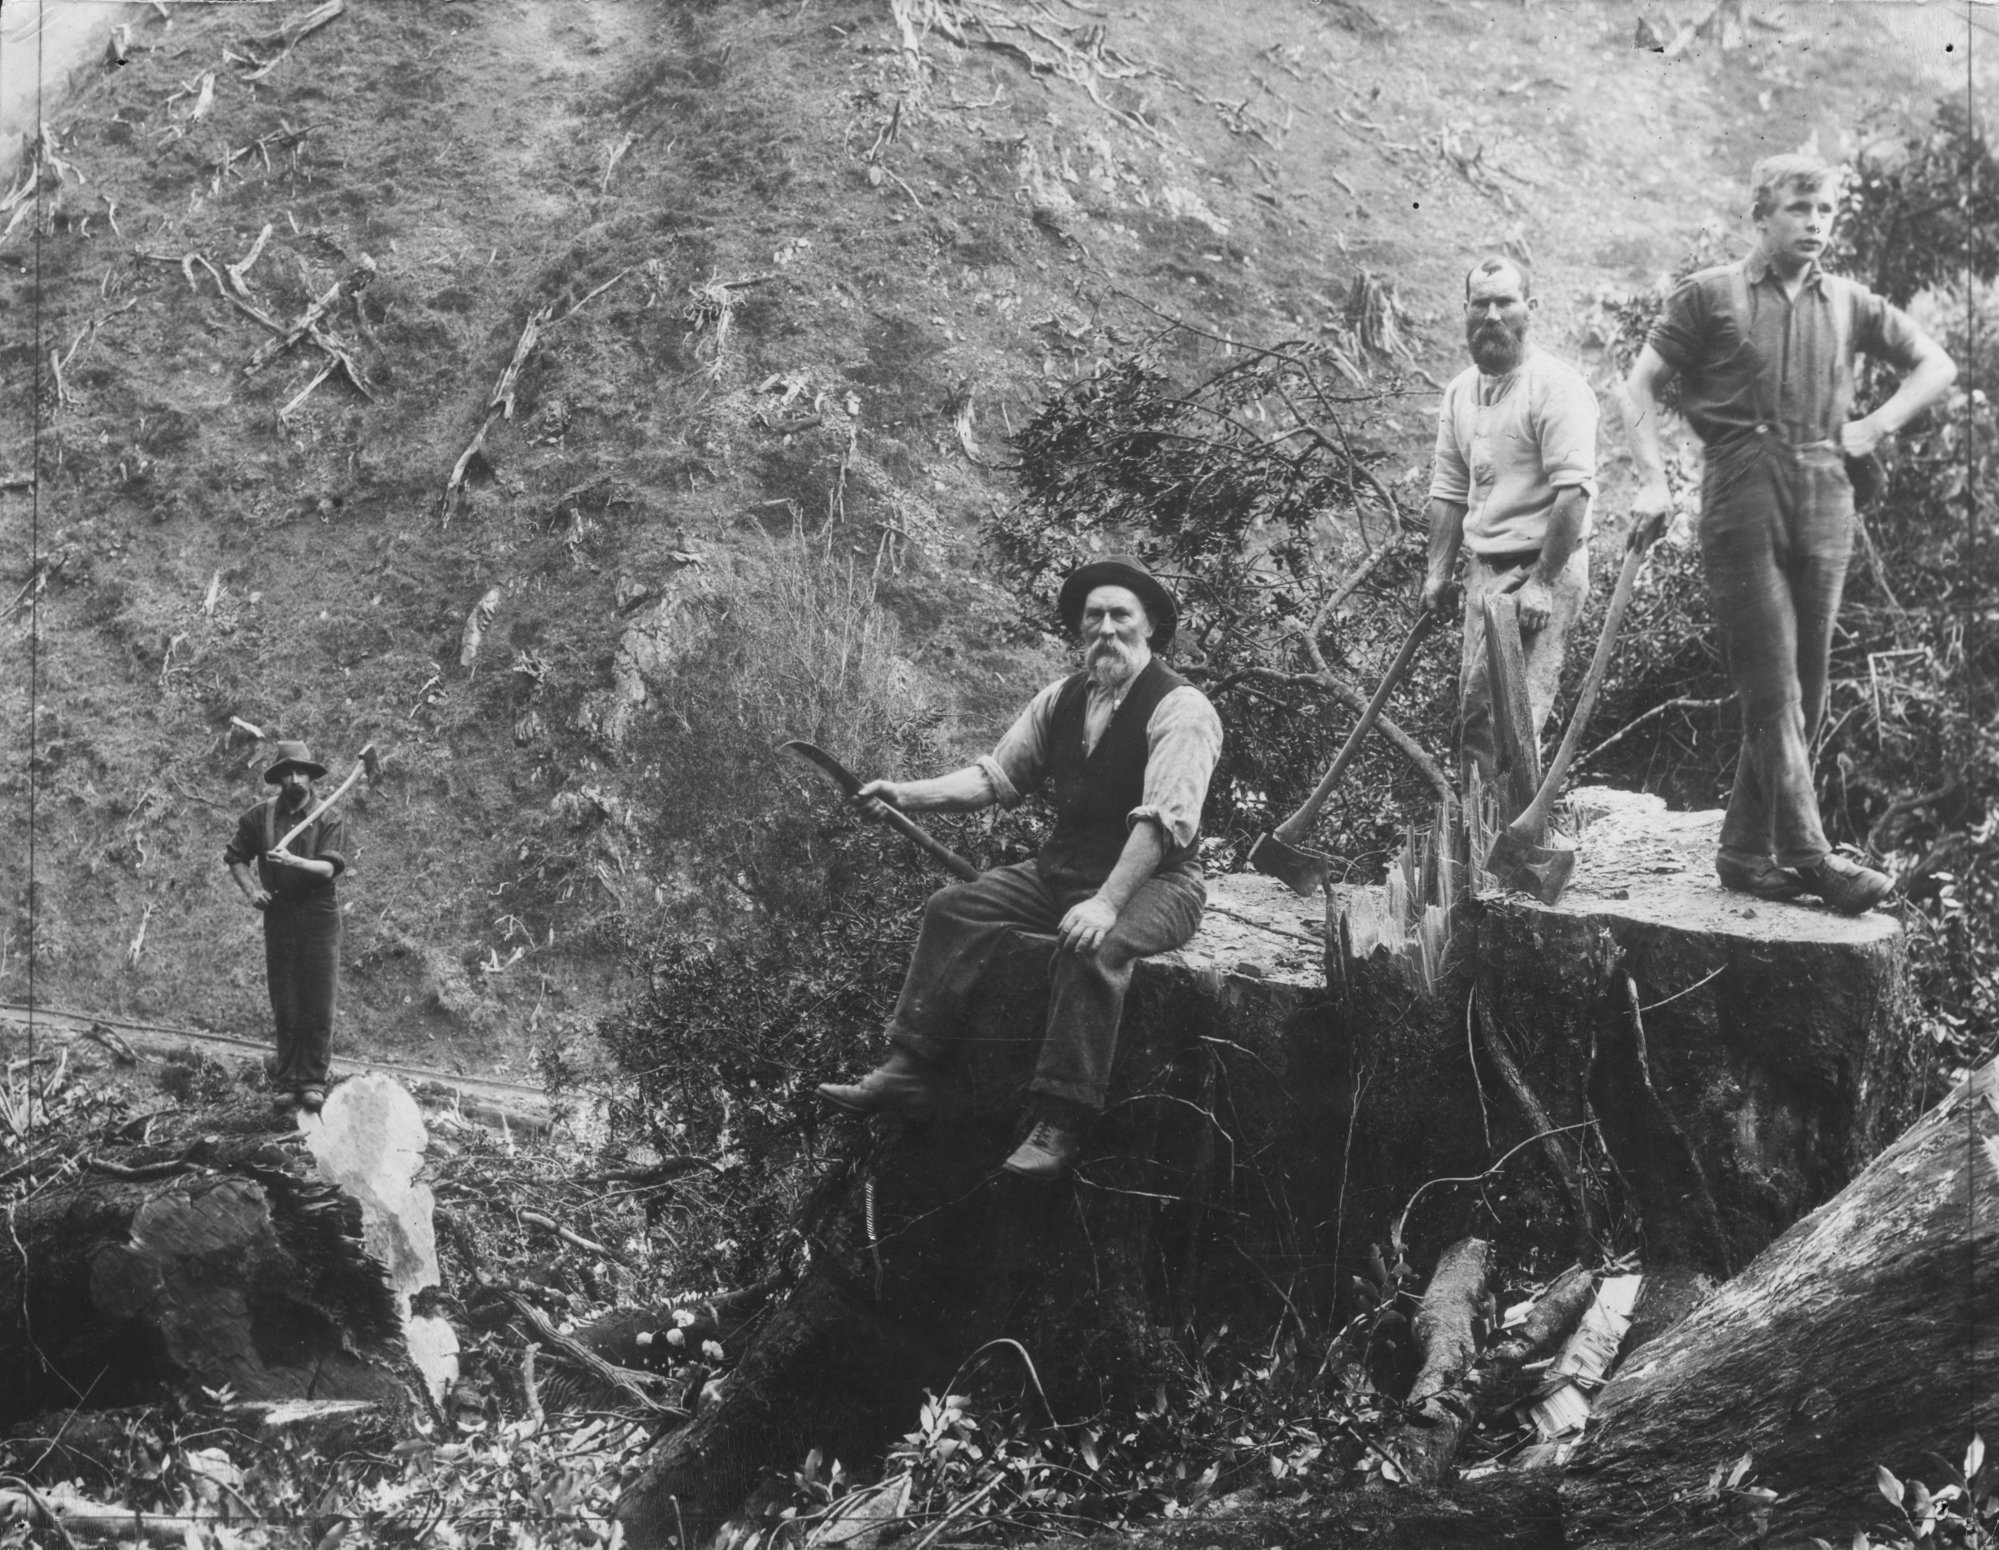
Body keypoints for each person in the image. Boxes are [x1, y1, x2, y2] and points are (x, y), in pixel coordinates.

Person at [815, 556, 1223, 1180]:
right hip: (1062, 872)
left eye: (1121, 616)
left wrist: (1107, 903)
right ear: (1081, 629)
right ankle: (908, 1071)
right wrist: (904, 793)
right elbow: (994, 778)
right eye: (1094, 617)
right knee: (954, 909)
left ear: (1151, 628)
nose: (1106, 629)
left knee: (1093, 949)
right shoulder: (1061, 699)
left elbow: (1161, 824)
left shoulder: (1181, 709)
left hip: (1158, 883)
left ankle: (1063, 1118)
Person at [1621, 152, 1955, 913]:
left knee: (1803, 689)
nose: (1813, 223)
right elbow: (1637, 383)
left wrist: (1874, 424)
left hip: (1825, 495)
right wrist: (1650, 478)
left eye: (1825, 210)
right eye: (1798, 209)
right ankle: (1810, 855)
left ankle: (1742, 853)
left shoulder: (1847, 302)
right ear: (1760, 217)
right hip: (1740, 493)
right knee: (1770, 685)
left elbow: (1933, 364)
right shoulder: (1710, 294)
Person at [1422, 256, 1601, 790]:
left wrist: (1543, 583)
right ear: (1465, 311)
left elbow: (1574, 493)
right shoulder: (1460, 392)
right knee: (1475, 712)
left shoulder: (1554, 387)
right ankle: (1486, 846)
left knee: (1510, 720)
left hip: (1545, 566)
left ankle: (1519, 850)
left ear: (1531, 310)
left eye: (1506, 302)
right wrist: (1437, 572)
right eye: (1482, 303)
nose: (1493, 316)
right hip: (1485, 568)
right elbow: (1449, 492)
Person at [225, 741, 349, 1112]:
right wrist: (252, 891)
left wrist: (294, 861)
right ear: (279, 779)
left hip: (319, 915)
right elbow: (235, 858)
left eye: (302, 772)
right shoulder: (259, 817)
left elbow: (329, 868)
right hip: (279, 914)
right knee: (287, 1000)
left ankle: (312, 1080)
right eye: (288, 773)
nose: (295, 779)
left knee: (318, 998)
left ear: (311, 777)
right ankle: (287, 1080)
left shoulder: (329, 816)